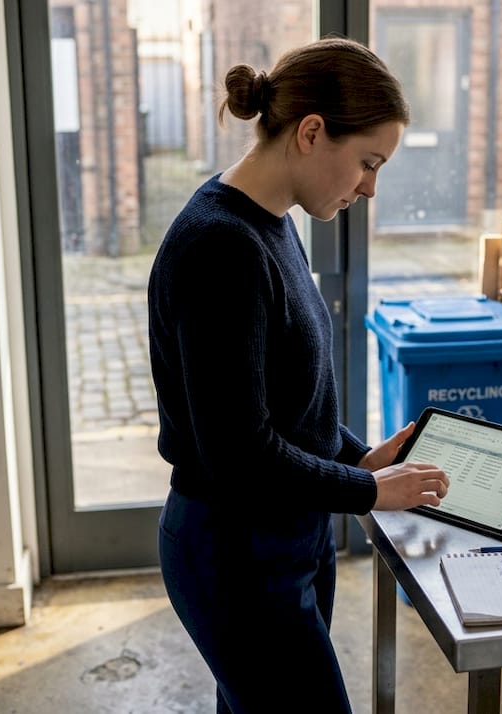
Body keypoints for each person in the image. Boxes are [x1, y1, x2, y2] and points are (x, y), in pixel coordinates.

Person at [147, 37, 450, 713]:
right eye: (368, 162)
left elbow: (285, 402)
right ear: (312, 133)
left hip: (283, 536)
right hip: (235, 554)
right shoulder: (221, 248)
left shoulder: (270, 223)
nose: (370, 187)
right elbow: (239, 456)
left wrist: (356, 456)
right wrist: (369, 488)